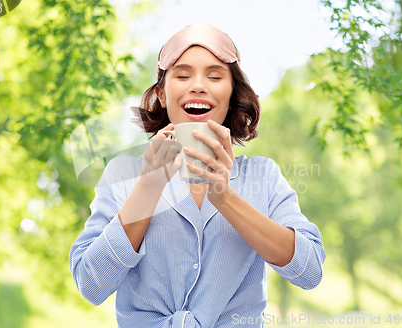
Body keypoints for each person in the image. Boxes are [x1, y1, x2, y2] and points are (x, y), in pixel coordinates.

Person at [69, 24, 325, 328]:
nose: (198, 86)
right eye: (183, 74)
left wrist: (225, 198)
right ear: (162, 95)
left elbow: (309, 271)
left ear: (232, 94)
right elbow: (91, 285)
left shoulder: (262, 175)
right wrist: (149, 187)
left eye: (215, 76)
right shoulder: (123, 175)